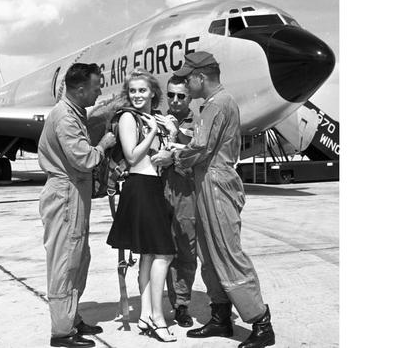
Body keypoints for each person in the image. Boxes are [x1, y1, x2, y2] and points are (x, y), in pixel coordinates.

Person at [170, 52, 276, 348]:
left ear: (201, 78)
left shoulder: (218, 105)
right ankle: (220, 316)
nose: (184, 83)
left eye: (187, 77)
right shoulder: (214, 104)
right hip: (206, 181)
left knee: (227, 252)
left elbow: (200, 148)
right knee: (208, 252)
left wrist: (174, 154)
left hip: (216, 183)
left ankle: (261, 321)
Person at [38, 63, 117, 348]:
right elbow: (83, 159)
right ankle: (61, 333)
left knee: (79, 259)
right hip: (65, 195)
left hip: (75, 193)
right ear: (80, 89)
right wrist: (104, 144)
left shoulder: (75, 113)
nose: (99, 92)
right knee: (65, 263)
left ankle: (71, 318)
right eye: (96, 87)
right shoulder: (65, 119)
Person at [106, 68, 177, 343]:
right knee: (163, 254)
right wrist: (152, 132)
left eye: (142, 90)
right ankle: (159, 318)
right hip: (139, 187)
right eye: (133, 90)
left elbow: (162, 154)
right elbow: (132, 156)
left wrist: (168, 135)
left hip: (154, 187)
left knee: (149, 255)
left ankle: (146, 315)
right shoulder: (127, 118)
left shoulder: (153, 118)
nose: (137, 95)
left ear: (153, 93)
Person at [151, 75, 197, 328]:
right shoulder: (154, 121)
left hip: (185, 195)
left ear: (190, 98)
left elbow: (198, 162)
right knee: (154, 252)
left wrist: (175, 143)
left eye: (181, 96)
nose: (175, 100)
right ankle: (152, 306)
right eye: (171, 95)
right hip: (156, 194)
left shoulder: (199, 123)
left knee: (186, 253)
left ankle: (181, 304)